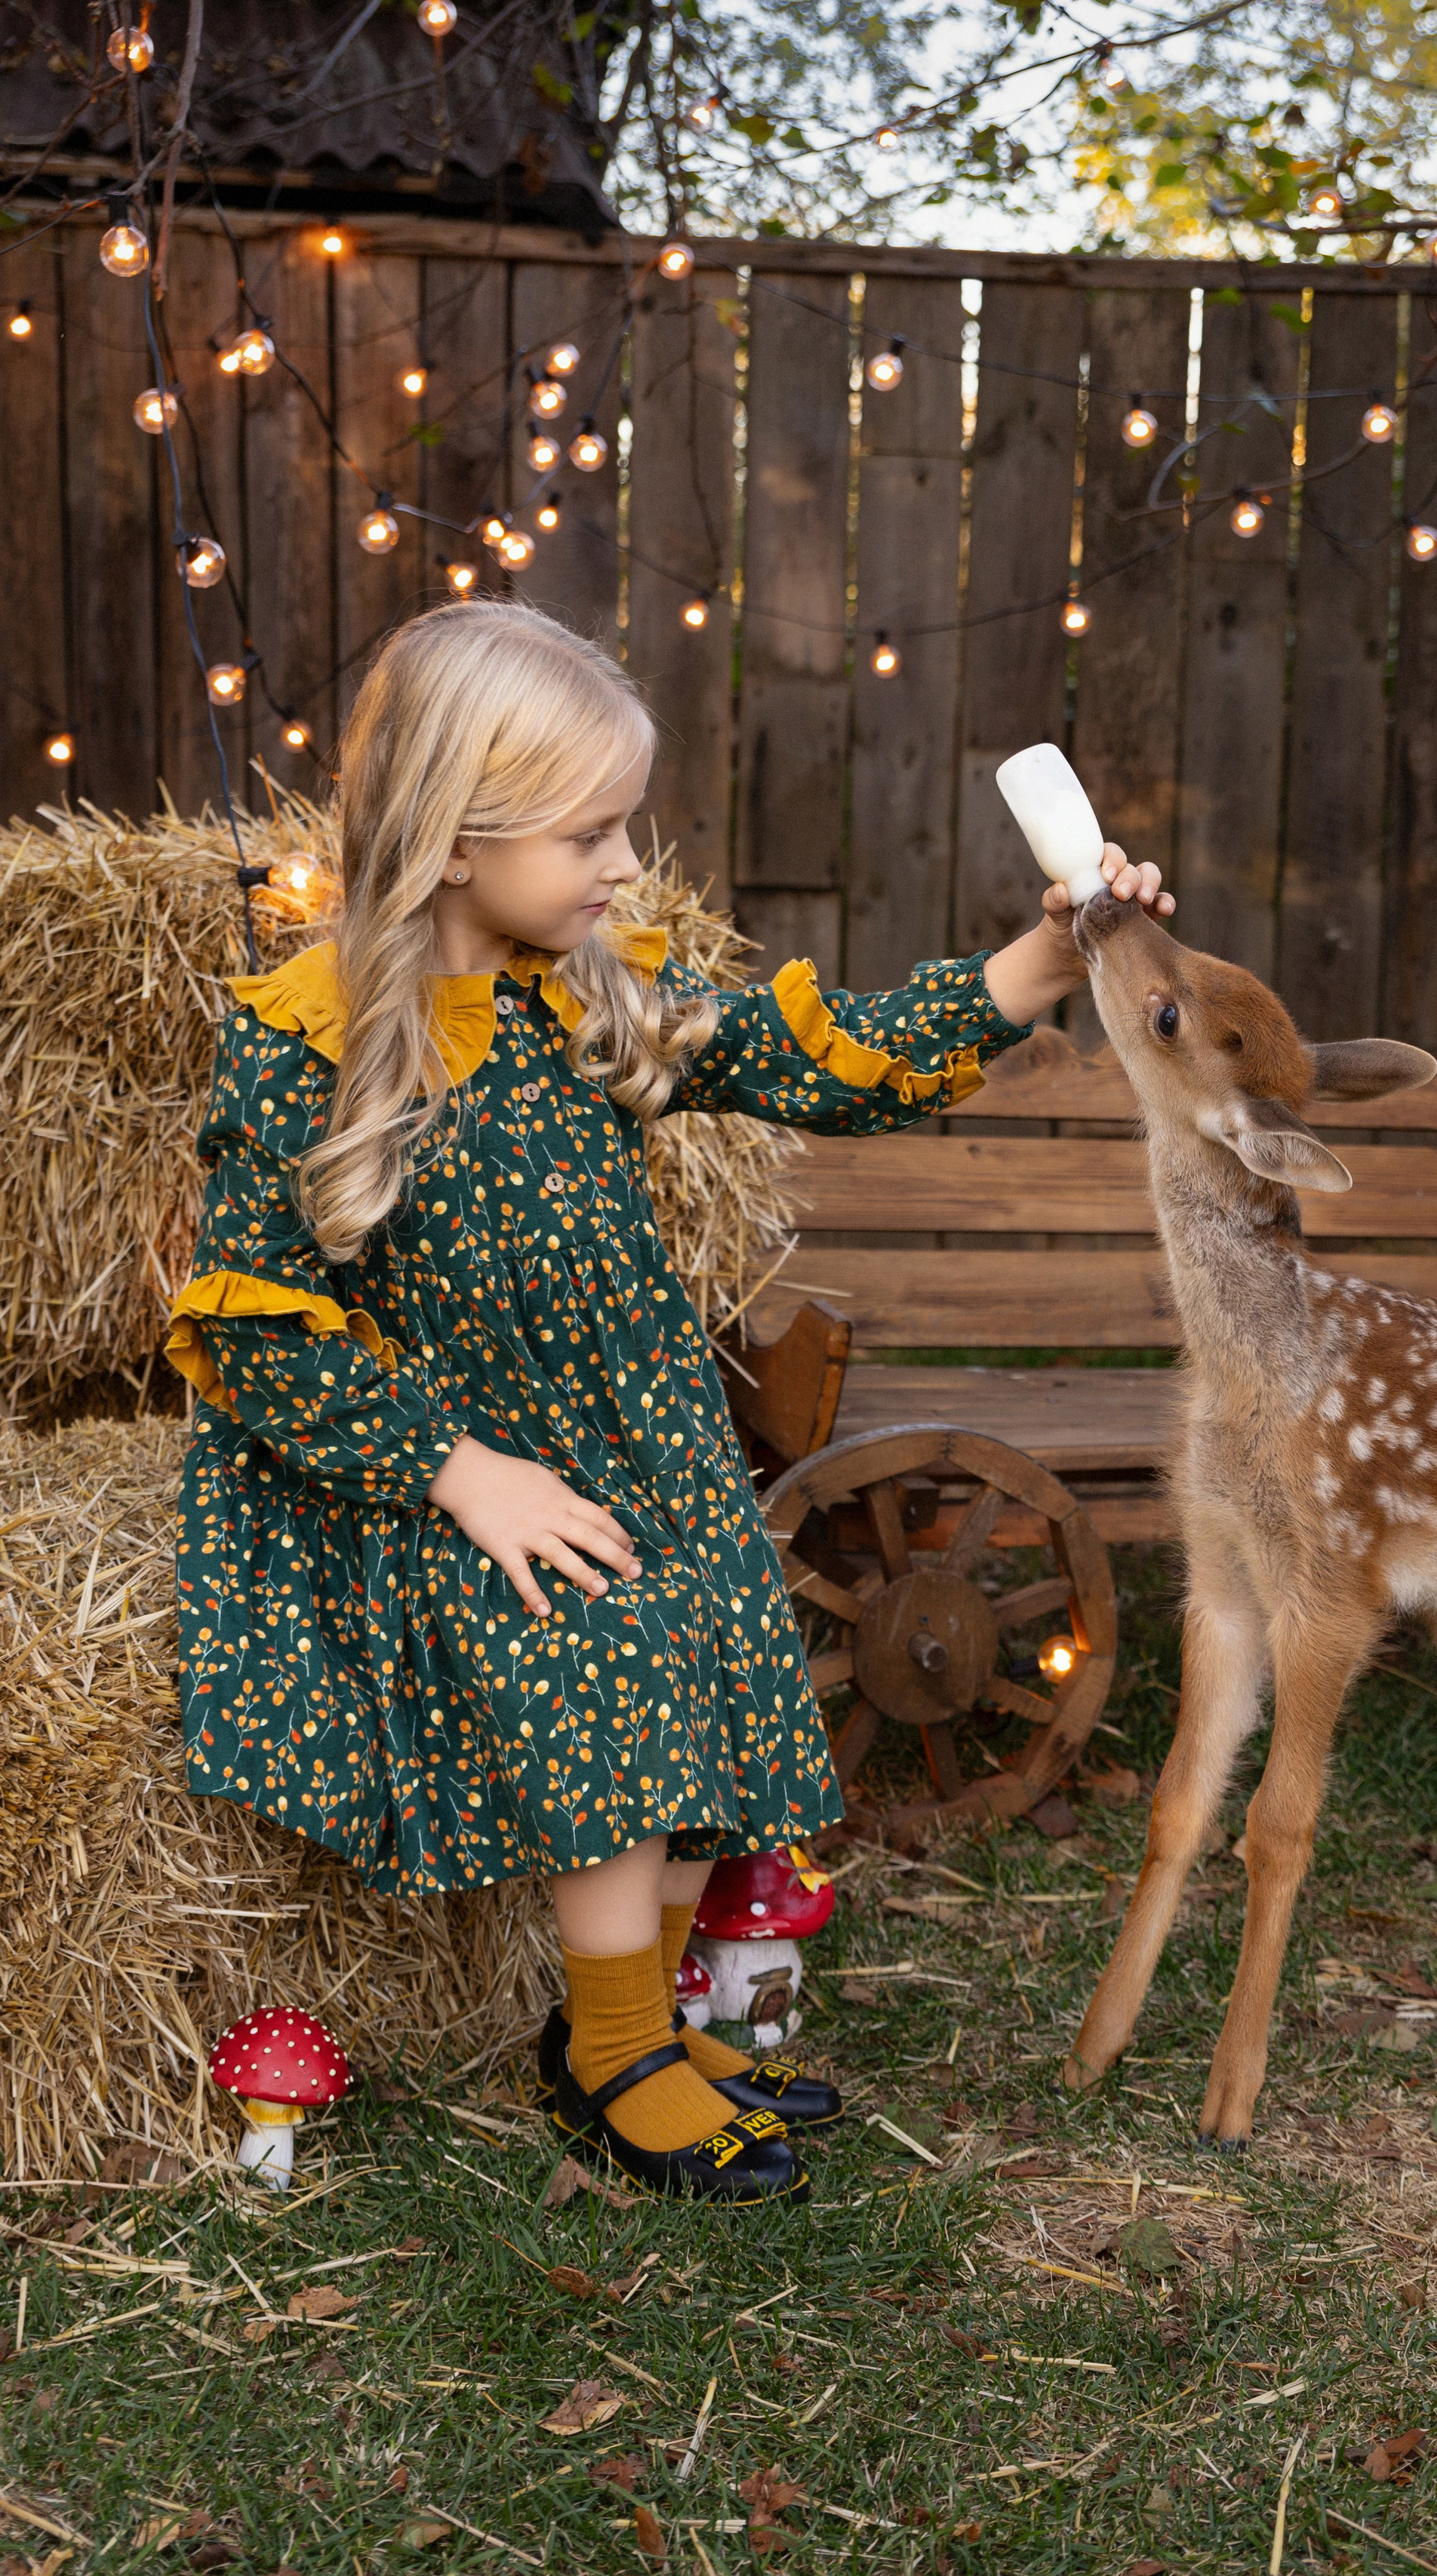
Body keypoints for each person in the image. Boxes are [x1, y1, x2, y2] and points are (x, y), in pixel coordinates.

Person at [168, 599, 1175, 2207]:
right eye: (591, 832)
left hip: (634, 1432)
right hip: (446, 1464)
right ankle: (609, 2051)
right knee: (609, 1650)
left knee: (722, 1640)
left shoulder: (593, 984)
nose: (628, 863)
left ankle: (653, 2025)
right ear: (445, 841)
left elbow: (832, 1063)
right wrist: (456, 1472)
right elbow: (265, 1327)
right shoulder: (308, 1038)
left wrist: (1042, 957)